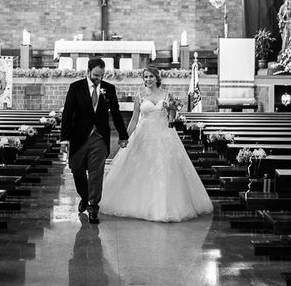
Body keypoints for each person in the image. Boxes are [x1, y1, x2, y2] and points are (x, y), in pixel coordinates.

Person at [101, 66, 213, 222]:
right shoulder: (139, 96)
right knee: (140, 168)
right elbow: (134, 119)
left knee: (165, 168)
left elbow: (171, 119)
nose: (148, 80)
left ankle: (166, 206)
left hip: (164, 135)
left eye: (151, 77)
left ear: (157, 78)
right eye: (145, 77)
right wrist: (125, 136)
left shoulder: (167, 95)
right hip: (143, 135)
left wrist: (173, 109)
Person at [60, 57, 129, 224]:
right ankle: (84, 196)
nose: (99, 79)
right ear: (88, 72)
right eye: (96, 75)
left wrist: (123, 135)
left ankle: (93, 207)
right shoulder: (76, 87)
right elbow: (67, 114)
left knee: (96, 174)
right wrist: (64, 139)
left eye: (101, 75)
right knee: (76, 170)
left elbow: (116, 114)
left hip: (99, 138)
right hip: (79, 137)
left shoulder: (109, 89)